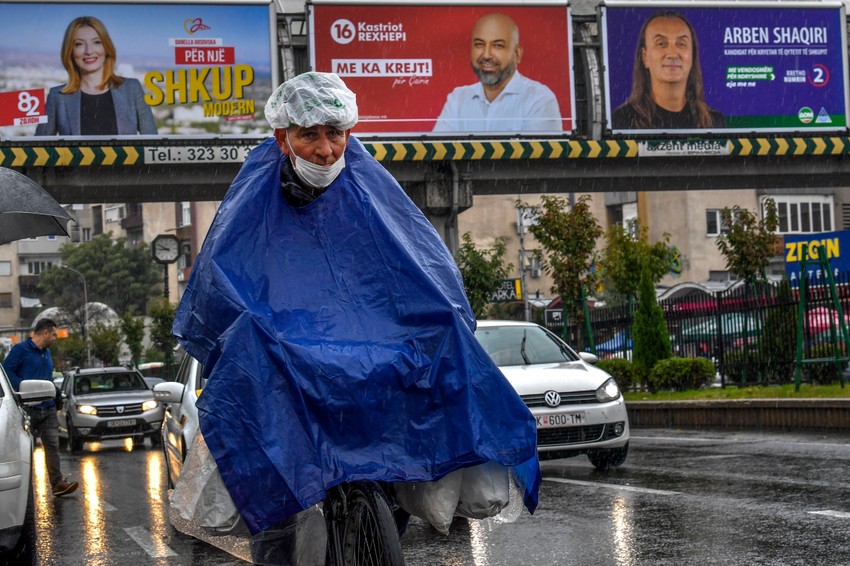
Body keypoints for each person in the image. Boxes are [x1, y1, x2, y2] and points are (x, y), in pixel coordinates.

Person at [173, 72, 541, 544]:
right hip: (293, 367)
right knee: (277, 520)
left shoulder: (370, 185)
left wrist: (443, 314)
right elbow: (223, 282)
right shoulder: (254, 197)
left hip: (375, 358)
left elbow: (421, 264)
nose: (326, 151)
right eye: (310, 135)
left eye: (336, 134)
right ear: (281, 138)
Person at [433, 13, 562, 133]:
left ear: (517, 54)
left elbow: (534, 157)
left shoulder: (539, 99)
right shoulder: (457, 98)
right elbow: (437, 153)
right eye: (479, 44)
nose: (487, 55)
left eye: (498, 45)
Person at [35, 16, 157, 136]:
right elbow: (37, 148)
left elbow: (154, 144)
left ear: (106, 47)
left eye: (97, 42)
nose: (89, 51)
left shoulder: (132, 88)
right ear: (70, 51)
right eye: (79, 44)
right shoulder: (57, 97)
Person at [612, 11, 725, 130]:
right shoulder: (622, 120)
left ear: (693, 55)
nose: (672, 54)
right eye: (661, 44)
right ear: (645, 57)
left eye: (681, 44)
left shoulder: (714, 122)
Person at [4, 319, 79, 497]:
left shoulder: (47, 353)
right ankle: (23, 491)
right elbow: (6, 371)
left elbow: (47, 378)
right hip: (27, 409)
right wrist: (21, 386)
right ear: (45, 333)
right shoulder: (20, 350)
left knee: (52, 445)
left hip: (48, 408)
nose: (55, 338)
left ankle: (57, 484)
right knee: (24, 450)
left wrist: (55, 391)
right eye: (53, 334)